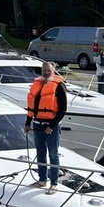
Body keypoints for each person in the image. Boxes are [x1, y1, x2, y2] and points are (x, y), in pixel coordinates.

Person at [25, 61, 67, 195]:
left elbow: (63, 110)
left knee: (53, 155)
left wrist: (52, 126)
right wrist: (27, 123)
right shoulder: (37, 84)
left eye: (49, 70)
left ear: (54, 70)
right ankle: (42, 180)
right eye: (44, 70)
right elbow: (31, 107)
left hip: (51, 127)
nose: (46, 72)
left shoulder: (59, 86)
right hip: (37, 124)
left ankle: (54, 184)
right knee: (40, 153)